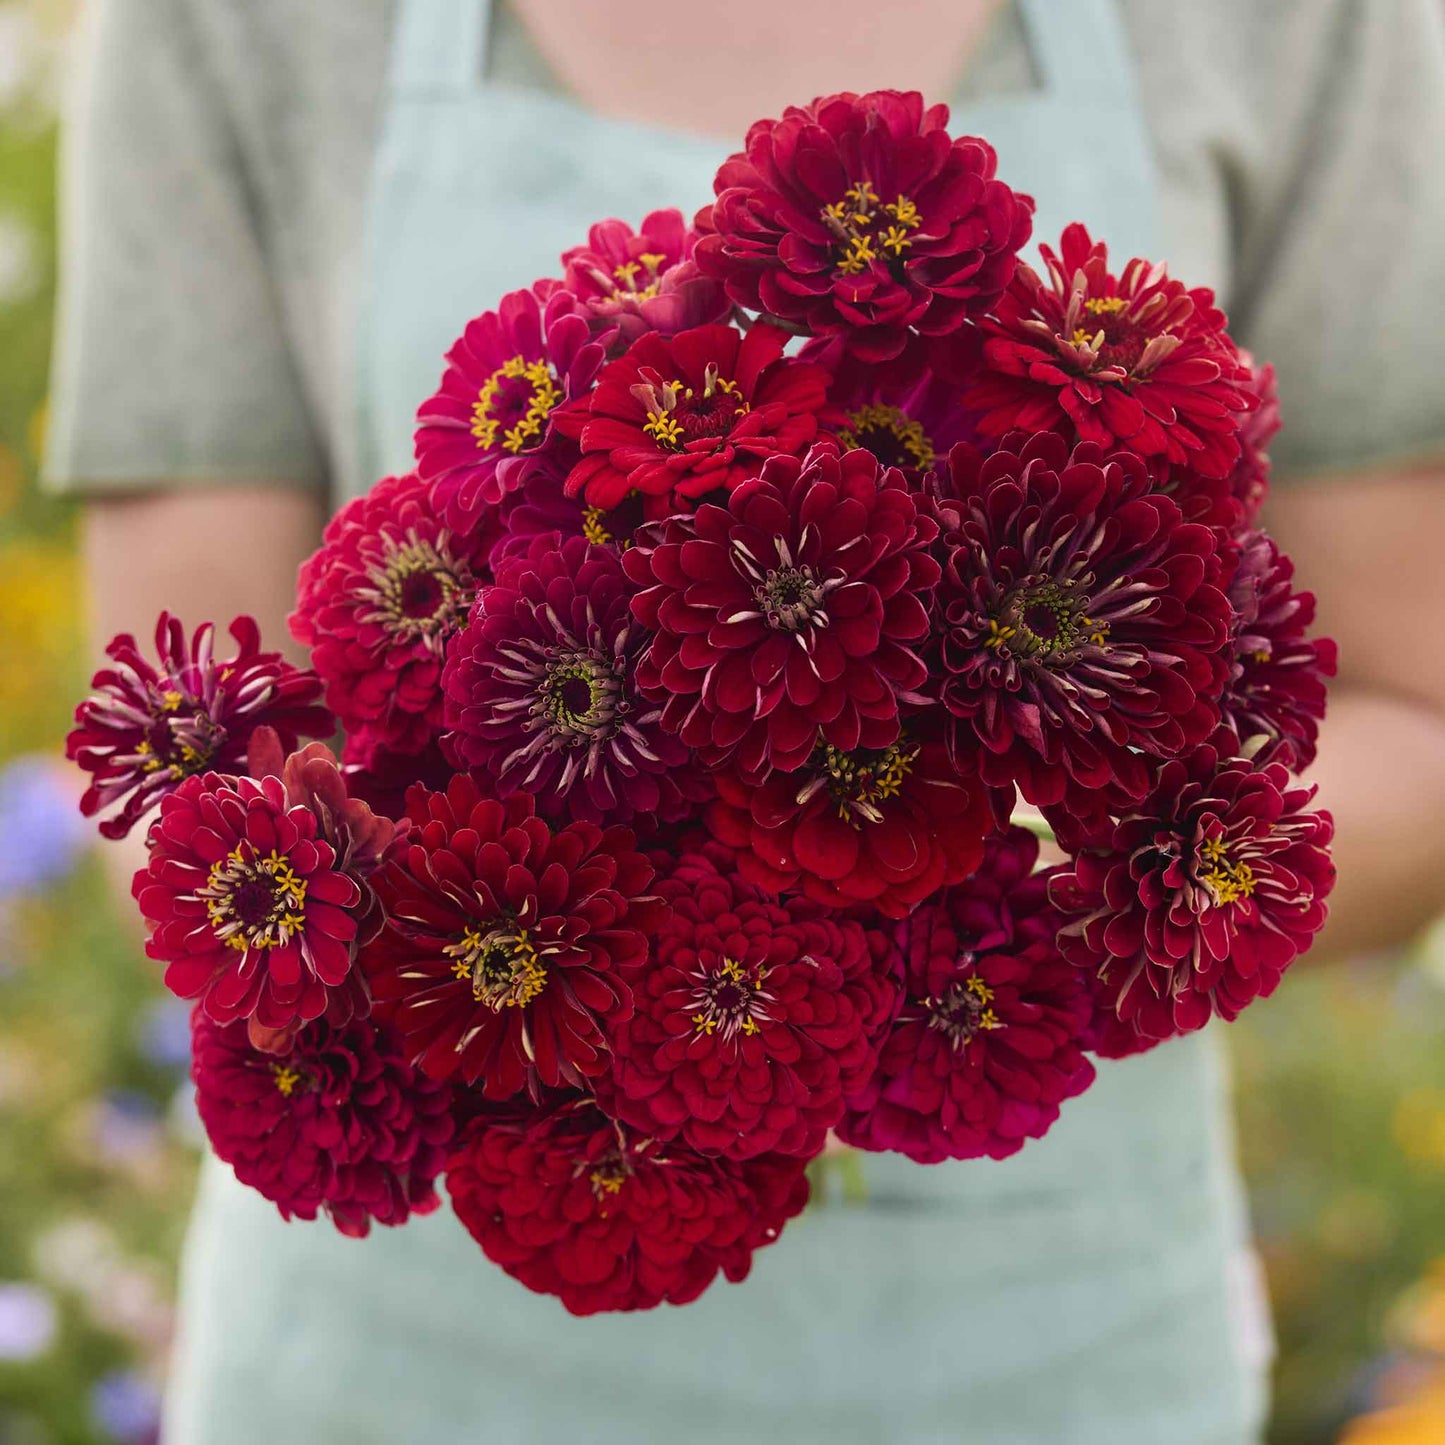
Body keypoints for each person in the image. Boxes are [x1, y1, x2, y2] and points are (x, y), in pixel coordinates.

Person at [45, 0, 1445, 1440]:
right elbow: (188, 780)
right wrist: (615, 975)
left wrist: (1009, 915)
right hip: (407, 1354)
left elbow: (1415, 709)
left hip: (1054, 1331)